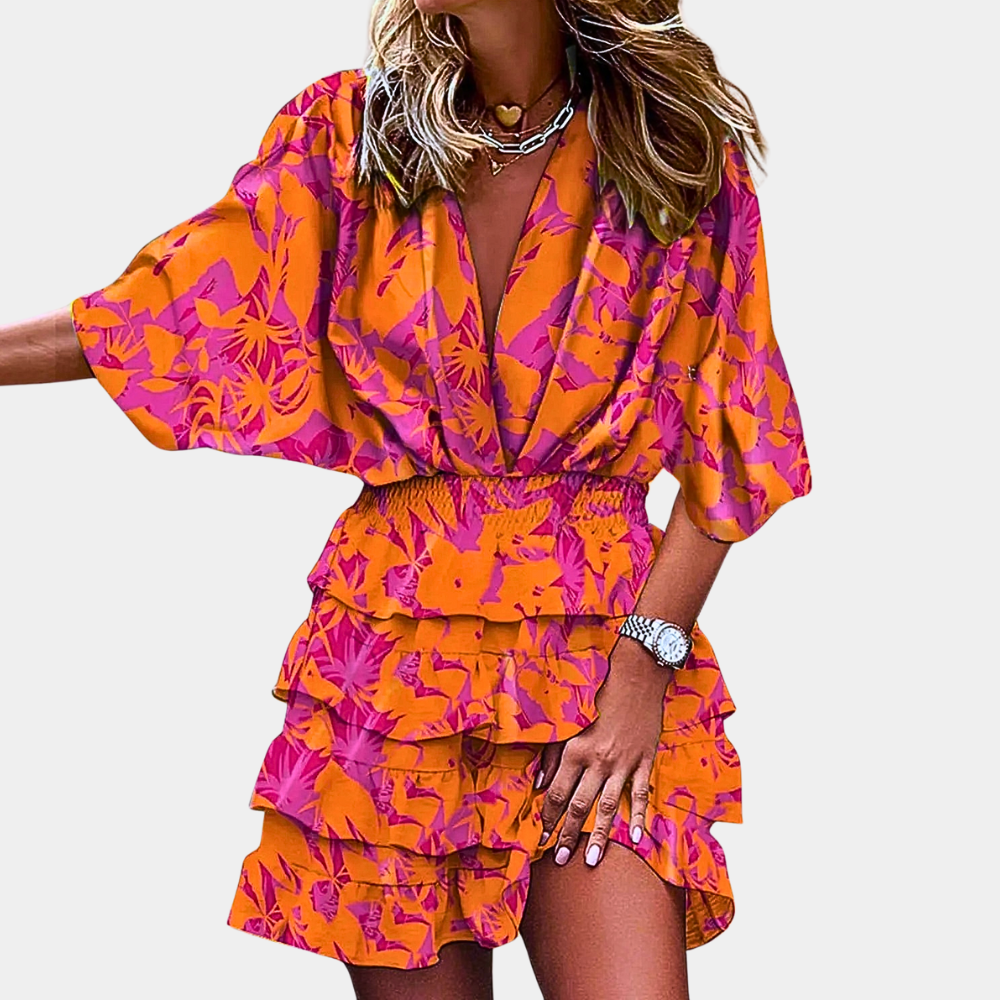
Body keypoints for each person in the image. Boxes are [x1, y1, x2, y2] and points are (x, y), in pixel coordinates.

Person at [0, 1, 813, 997]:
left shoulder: (675, 154)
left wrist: (645, 667)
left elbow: (738, 435)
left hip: (598, 642)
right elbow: (157, 314)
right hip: (394, 660)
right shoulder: (351, 139)